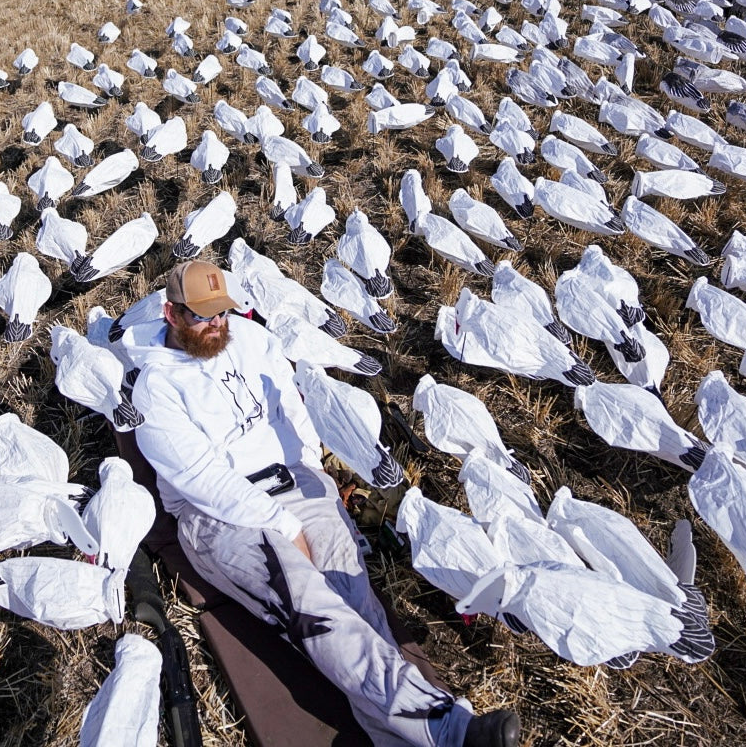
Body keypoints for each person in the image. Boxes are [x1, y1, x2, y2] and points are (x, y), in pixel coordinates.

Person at [125, 260, 521, 747]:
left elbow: (290, 402)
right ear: (170, 313)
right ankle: (450, 728)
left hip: (296, 483)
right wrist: (282, 524)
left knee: (356, 601)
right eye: (202, 316)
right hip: (222, 517)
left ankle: (404, 737)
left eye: (223, 313)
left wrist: (312, 467)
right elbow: (202, 479)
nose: (217, 325)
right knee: (314, 608)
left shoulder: (248, 339)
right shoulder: (154, 390)